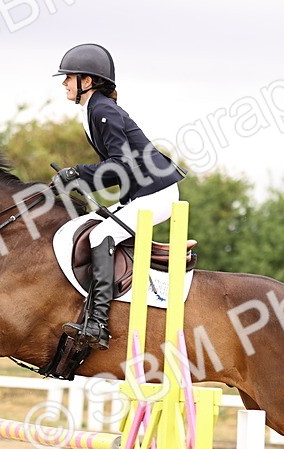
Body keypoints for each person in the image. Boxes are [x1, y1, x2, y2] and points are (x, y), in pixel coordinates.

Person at [50, 43, 185, 350]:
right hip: (141, 193)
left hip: (157, 193)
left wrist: (77, 173)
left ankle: (97, 323)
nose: (64, 83)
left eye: (69, 77)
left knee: (101, 235)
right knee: (86, 224)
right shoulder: (93, 110)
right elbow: (118, 168)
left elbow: (120, 165)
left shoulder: (102, 110)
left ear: (87, 81)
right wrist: (76, 178)